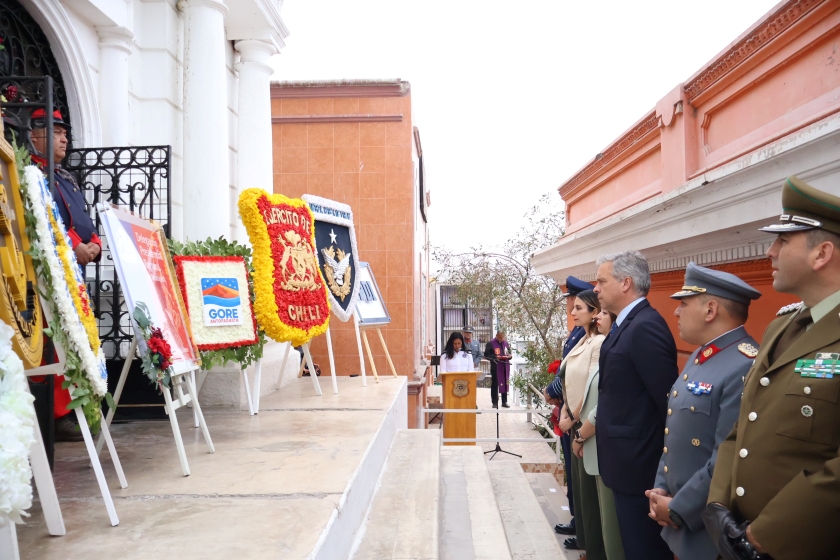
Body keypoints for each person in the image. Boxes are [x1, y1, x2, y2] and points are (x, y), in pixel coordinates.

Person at [704, 177, 840, 560]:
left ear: (821, 254)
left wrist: (765, 536)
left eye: (783, 241)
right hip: (735, 537)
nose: (770, 251)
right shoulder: (782, 325)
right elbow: (742, 426)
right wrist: (718, 508)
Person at [644, 263, 761, 560]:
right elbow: (675, 432)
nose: (676, 312)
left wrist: (679, 508)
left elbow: (727, 456)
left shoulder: (744, 364)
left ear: (710, 310)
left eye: (684, 303)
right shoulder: (702, 354)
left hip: (707, 528)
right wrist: (660, 489)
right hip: (680, 518)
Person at [593, 250, 678, 560]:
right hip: (625, 466)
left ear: (626, 282)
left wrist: (665, 475)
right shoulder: (626, 325)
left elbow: (668, 402)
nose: (596, 289)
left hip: (641, 468)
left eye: (602, 281)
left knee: (645, 551)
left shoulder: (645, 326)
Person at [29, 109, 102, 442]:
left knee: (76, 340)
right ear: (35, 135)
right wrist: (75, 246)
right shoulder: (32, 174)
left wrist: (95, 244)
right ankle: (57, 415)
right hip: (53, 271)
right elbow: (47, 221)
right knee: (56, 341)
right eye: (55, 131)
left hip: (76, 269)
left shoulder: (65, 177)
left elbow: (83, 221)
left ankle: (76, 406)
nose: (64, 138)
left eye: (65, 133)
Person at [548, 290, 607, 557]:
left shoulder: (599, 342)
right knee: (579, 489)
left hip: (584, 423)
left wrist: (572, 417)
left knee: (589, 494)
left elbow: (590, 386)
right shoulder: (584, 339)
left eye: (579, 308)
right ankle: (584, 539)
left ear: (594, 312)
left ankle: (591, 545)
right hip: (573, 419)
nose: (573, 312)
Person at [573, 308, 625, 560]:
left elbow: (606, 400)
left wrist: (581, 433)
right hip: (595, 438)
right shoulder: (606, 345)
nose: (597, 317)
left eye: (604, 312)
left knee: (612, 527)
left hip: (603, 440)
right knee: (603, 519)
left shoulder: (610, 346)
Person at [553, 274, 594, 538]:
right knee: (571, 469)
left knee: (580, 475)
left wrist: (553, 392)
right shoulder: (577, 332)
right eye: (573, 303)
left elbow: (577, 376)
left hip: (580, 417)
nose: (571, 307)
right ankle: (578, 521)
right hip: (569, 411)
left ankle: (582, 525)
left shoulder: (588, 335)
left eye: (577, 303)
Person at [484, 330, 512, 408]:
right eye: (500, 338)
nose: (501, 339)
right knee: (495, 385)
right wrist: (495, 357)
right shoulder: (490, 343)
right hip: (495, 366)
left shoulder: (506, 343)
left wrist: (510, 356)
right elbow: (486, 355)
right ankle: (495, 402)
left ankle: (504, 401)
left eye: (502, 338)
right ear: (496, 336)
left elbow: (509, 353)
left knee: (505, 383)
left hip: (505, 366)